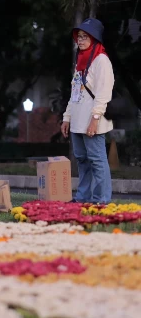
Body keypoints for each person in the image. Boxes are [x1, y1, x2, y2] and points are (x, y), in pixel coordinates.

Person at [61, 18, 114, 204]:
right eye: (79, 36)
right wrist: (66, 117)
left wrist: (95, 119)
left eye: (85, 37)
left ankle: (102, 200)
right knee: (82, 161)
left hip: (93, 121)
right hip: (77, 121)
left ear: (95, 38)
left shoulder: (102, 61)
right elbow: (74, 93)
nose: (80, 40)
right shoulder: (80, 62)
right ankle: (83, 198)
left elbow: (103, 94)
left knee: (97, 160)